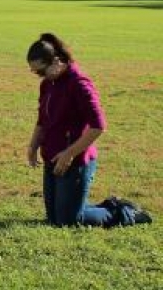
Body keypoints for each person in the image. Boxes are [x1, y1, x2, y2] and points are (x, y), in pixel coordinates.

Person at [26, 33, 113, 227]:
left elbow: (99, 126)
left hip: (75, 162)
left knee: (68, 221)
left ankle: (120, 211)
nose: (39, 76)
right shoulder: (47, 84)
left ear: (56, 61)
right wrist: (32, 147)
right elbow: (42, 119)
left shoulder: (80, 84)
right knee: (53, 218)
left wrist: (69, 154)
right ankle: (77, 205)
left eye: (40, 71)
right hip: (52, 159)